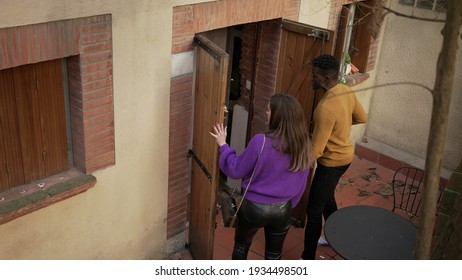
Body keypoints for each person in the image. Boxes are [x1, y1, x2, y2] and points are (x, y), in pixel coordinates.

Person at [210, 93, 312, 260]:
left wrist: (223, 145)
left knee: (241, 247)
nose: (266, 113)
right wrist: (288, 205)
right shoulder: (304, 146)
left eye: (269, 110)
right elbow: (302, 183)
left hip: (254, 209)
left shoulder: (261, 141)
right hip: (283, 209)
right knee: (274, 255)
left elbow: (235, 170)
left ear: (277, 116)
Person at [300, 54, 368, 260]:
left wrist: (293, 168)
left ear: (326, 79)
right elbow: (361, 117)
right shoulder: (345, 91)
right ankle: (335, 236)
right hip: (346, 157)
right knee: (327, 197)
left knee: (313, 211)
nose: (312, 79)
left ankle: (307, 259)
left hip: (331, 163)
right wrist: (340, 130)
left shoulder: (325, 109)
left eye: (315, 76)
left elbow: (316, 150)